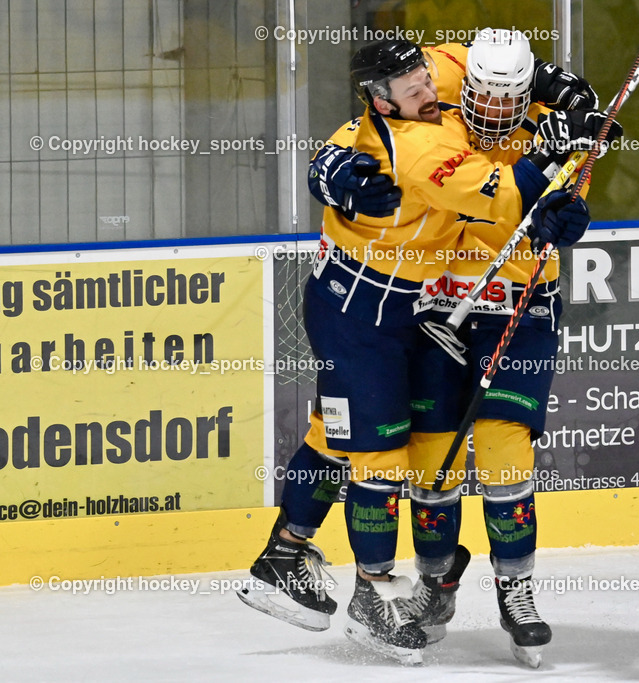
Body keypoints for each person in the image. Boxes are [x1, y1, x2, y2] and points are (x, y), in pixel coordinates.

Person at [237, 36, 614, 666]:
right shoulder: (422, 140)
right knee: (376, 452)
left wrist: (554, 88)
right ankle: (368, 591)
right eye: (405, 84)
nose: (421, 85)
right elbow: (493, 189)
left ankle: (293, 555)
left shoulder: (438, 73)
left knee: (350, 437)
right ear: (378, 98)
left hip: (412, 307)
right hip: (362, 304)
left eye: (421, 75)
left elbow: (477, 65)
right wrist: (327, 168)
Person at [396, 29, 619, 669]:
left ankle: (514, 588)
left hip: (519, 310)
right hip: (435, 304)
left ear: (527, 96)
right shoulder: (431, 127)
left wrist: (566, 215)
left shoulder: (555, 135)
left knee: (503, 448)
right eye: (483, 96)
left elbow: (570, 205)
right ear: (465, 87)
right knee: (431, 457)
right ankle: (435, 584)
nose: (493, 111)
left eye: (508, 98)